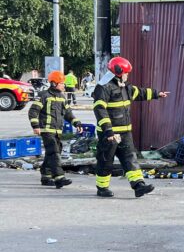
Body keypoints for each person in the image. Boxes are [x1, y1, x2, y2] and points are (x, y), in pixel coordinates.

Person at [92, 56, 169, 198]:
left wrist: (157, 94)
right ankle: (102, 188)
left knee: (130, 158)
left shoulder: (124, 87)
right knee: (106, 160)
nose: (127, 75)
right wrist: (108, 131)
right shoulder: (103, 88)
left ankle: (139, 185)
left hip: (125, 132)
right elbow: (100, 110)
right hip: (109, 134)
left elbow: (139, 92)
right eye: (126, 73)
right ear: (119, 72)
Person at [28, 71, 83, 188]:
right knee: (54, 152)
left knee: (51, 153)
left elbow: (68, 113)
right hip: (46, 130)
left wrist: (77, 123)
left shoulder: (62, 97)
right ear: (54, 84)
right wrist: (36, 126)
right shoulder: (44, 95)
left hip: (57, 131)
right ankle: (59, 177)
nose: (64, 85)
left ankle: (46, 176)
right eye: (61, 83)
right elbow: (33, 111)